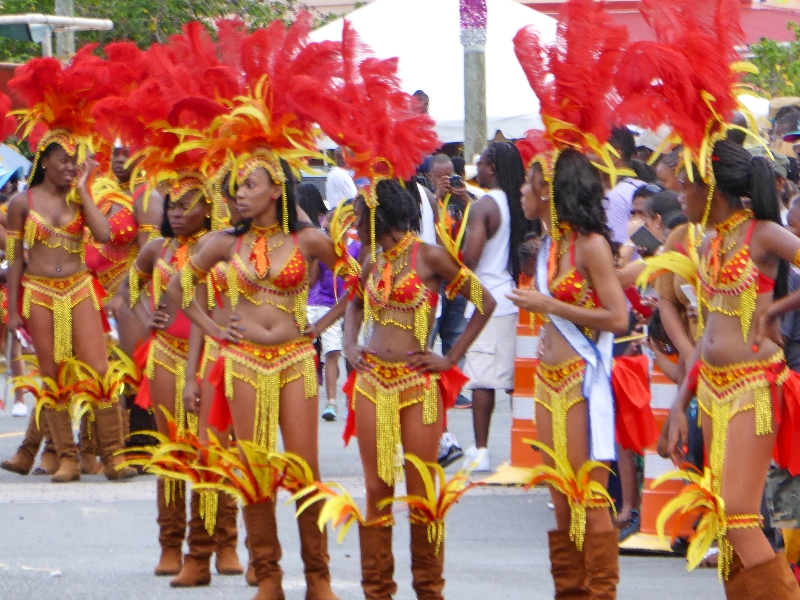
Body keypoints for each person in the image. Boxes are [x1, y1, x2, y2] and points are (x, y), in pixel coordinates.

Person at [343, 180, 495, 600]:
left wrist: (450, 358)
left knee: (422, 490)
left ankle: (429, 592)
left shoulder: (430, 257)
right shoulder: (371, 259)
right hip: (372, 381)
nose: (354, 224)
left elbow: (484, 302)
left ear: (381, 217)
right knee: (376, 490)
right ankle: (378, 592)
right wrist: (351, 344)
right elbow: (354, 304)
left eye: (359, 215)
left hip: (417, 384)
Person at [3, 56, 136, 485]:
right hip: (39, 292)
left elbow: (107, 235)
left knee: (98, 371)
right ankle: (67, 459)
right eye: (64, 161)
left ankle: (114, 456)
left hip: (79, 288)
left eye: (75, 161)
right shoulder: (22, 204)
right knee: (53, 374)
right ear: (45, 161)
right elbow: (17, 260)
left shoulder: (81, 198)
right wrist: (17, 309)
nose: (70, 167)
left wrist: (84, 191)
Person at [511, 148, 630, 599]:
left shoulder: (591, 245)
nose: (523, 190)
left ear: (549, 192)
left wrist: (550, 306)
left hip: (582, 379)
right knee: (560, 497)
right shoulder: (548, 247)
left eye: (530, 182)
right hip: (548, 380)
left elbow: (619, 318)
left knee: (591, 497)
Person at [460, 141, 528, 471]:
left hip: (488, 299)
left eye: (483, 163)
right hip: (515, 298)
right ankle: (527, 447)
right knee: (515, 380)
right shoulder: (520, 203)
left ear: (493, 168)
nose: (478, 169)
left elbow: (470, 257)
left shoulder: (484, 206)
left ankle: (482, 450)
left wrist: (452, 257)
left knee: (482, 379)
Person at [604, 127, 644, 249]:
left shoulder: (617, 196)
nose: (586, 155)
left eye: (592, 151)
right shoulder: (639, 184)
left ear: (615, 155)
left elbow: (617, 255)